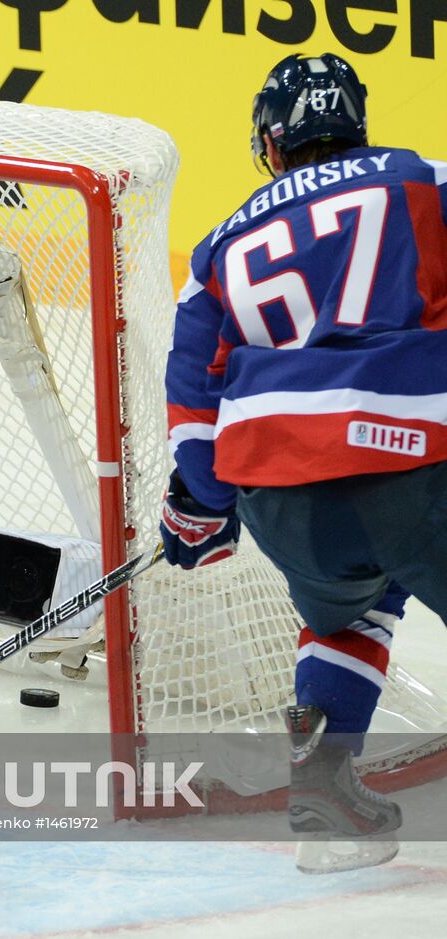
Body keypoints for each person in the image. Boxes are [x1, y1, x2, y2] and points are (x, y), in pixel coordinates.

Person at [160, 52, 447, 870]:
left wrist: (201, 506)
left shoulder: (219, 247)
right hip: (413, 461)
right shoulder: (423, 180)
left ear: (271, 143)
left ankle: (323, 794)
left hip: (284, 500)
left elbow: (194, 402)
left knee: (348, 614)